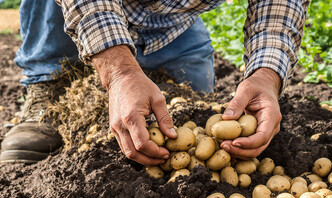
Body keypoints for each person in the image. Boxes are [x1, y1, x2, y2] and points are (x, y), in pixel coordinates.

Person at [0, 0, 309, 165]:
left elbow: (280, 4)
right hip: (69, 8)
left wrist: (266, 75)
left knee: (188, 107)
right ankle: (49, 85)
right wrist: (119, 71)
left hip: (171, 21)